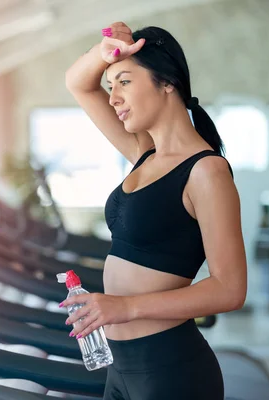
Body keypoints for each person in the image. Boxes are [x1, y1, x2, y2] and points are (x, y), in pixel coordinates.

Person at [59, 22, 247, 400]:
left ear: (167, 82)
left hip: (170, 370)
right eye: (111, 87)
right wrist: (109, 51)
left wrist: (124, 306)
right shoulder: (143, 154)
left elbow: (230, 289)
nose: (113, 98)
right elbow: (77, 83)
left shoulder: (206, 171)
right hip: (120, 366)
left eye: (124, 83)